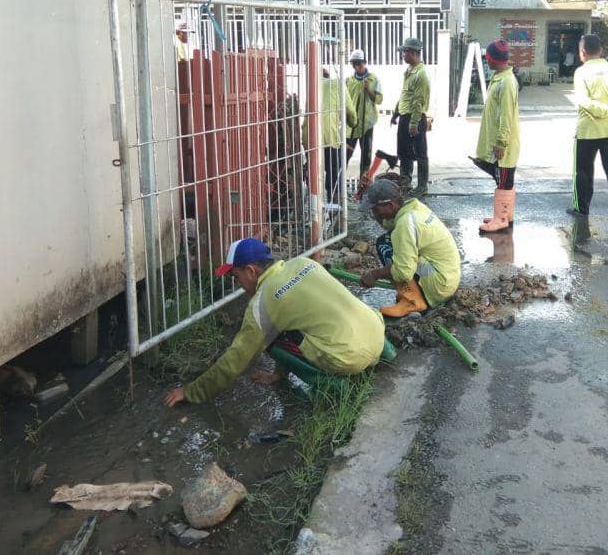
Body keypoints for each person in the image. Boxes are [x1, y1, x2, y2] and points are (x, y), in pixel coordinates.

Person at [164, 238, 385, 407]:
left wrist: (192, 391)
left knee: (270, 338)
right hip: (377, 334)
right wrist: (277, 374)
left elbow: (235, 359)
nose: (238, 284)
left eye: (236, 276)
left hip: (348, 359)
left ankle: (334, 387)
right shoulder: (302, 263)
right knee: (288, 326)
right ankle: (385, 354)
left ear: (251, 270)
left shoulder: (262, 303)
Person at [357, 177, 460, 317]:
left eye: (375, 209)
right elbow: (389, 225)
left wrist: (374, 275)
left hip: (440, 284)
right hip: (448, 277)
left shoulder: (405, 224)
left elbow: (403, 271)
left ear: (390, 205)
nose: (374, 213)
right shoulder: (413, 208)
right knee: (385, 241)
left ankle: (412, 300)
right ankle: (415, 292)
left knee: (386, 248)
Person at [569, 34, 608, 226]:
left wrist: (605, 109)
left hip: (587, 131)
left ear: (583, 52)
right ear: (601, 51)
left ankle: (582, 208)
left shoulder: (581, 73)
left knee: (583, 170)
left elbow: (583, 101)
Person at [470, 39, 520, 233]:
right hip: (499, 140)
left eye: (487, 58)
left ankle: (501, 219)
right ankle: (505, 215)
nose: (486, 61)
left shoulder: (506, 82)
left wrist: (501, 141)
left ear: (493, 59)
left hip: (504, 143)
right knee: (503, 179)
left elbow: (506, 115)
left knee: (504, 180)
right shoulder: (500, 77)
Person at [391, 37, 431, 197]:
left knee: (420, 153)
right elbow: (404, 96)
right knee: (404, 152)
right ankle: (405, 182)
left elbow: (418, 101)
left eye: (405, 52)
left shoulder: (420, 74)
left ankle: (422, 186)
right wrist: (395, 113)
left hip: (415, 118)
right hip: (405, 117)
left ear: (414, 53)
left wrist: (414, 123)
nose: (403, 55)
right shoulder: (409, 72)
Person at [319, 62, 357, 205]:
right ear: (328, 75)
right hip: (330, 137)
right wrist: (353, 123)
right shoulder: (337, 84)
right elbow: (351, 113)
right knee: (334, 173)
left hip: (310, 138)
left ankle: (314, 209)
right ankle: (336, 209)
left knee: (314, 173)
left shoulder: (312, 86)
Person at [345, 49, 382, 181]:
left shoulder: (373, 79)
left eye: (360, 63)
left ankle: (363, 183)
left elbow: (378, 100)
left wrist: (368, 90)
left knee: (366, 155)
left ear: (365, 63)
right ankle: (340, 183)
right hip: (352, 124)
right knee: (346, 154)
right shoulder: (348, 81)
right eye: (355, 64)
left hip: (367, 124)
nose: (358, 66)